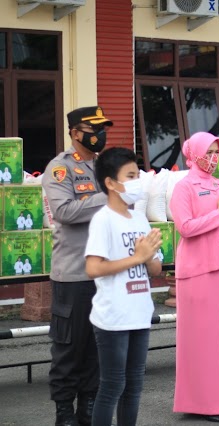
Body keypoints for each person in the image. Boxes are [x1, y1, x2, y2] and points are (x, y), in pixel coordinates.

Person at [42, 106, 112, 426]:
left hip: (104, 272)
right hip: (72, 273)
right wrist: (109, 196)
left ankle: (88, 407)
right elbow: (65, 211)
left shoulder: (103, 167)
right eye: (93, 128)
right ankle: (65, 413)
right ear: (75, 133)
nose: (100, 134)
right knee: (69, 348)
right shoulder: (60, 168)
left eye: (103, 128)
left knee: (96, 347)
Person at [85, 147, 162, 426]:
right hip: (113, 317)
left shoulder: (140, 218)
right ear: (110, 183)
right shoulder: (103, 220)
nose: (137, 181)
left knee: (134, 387)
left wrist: (151, 256)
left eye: (138, 174)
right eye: (130, 176)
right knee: (112, 386)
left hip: (140, 312)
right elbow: (93, 268)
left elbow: (154, 269)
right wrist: (136, 257)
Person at [170, 132, 219, 423]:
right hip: (197, 270)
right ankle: (202, 402)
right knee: (202, 339)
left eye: (216, 152)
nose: (213, 158)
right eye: (207, 152)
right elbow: (185, 227)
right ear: (194, 153)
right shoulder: (183, 187)